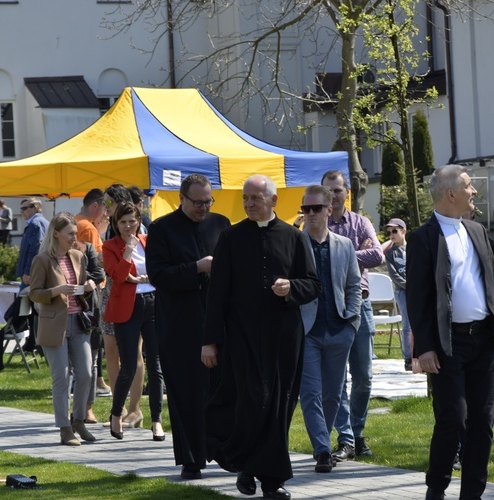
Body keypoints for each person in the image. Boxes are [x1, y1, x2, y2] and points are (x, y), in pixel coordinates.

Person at [406, 164, 494, 500]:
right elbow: (417, 300)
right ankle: (437, 488)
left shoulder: (478, 232)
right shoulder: (423, 238)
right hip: (447, 345)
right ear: (451, 194)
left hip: (483, 341)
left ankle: (472, 494)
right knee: (453, 420)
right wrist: (424, 348)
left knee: (482, 423)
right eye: (470, 186)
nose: (475, 192)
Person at [201, 174, 320, 499]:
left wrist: (291, 287)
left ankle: (270, 481)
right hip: (242, 337)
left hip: (284, 338)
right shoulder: (231, 237)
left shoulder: (293, 238)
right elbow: (217, 293)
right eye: (246, 199)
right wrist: (210, 341)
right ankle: (247, 465)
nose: (250, 204)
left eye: (256, 198)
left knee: (279, 405)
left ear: (274, 201)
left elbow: (312, 283)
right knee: (253, 400)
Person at [147, 174, 230, 480]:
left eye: (208, 201)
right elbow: (158, 275)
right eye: (197, 202)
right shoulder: (161, 229)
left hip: (217, 322)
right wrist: (197, 267)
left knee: (220, 390)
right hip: (179, 325)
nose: (203, 208)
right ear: (181, 199)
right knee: (186, 393)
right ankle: (191, 459)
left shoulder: (222, 225)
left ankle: (222, 450)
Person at [298, 185, 361, 474]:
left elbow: (353, 286)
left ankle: (324, 444)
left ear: (329, 210)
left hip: (339, 328)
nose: (309, 214)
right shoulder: (293, 243)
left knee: (334, 394)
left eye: (315, 208)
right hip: (307, 330)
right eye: (305, 209)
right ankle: (322, 450)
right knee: (310, 392)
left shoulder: (345, 245)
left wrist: (352, 322)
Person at [321, 170, 383, 460]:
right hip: (331, 307)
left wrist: (339, 253)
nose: (334, 195)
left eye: (338, 190)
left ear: (347, 192)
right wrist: (356, 252)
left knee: (364, 377)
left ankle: (357, 432)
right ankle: (346, 438)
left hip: (361, 304)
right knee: (336, 379)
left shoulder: (361, 223)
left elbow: (379, 256)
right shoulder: (317, 224)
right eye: (328, 190)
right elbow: (315, 258)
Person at [28, 212, 97, 446]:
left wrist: (88, 286)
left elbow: (81, 286)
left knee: (86, 373)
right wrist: (57, 290)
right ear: (56, 233)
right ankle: (64, 428)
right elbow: (34, 293)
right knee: (62, 378)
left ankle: (78, 420)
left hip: (78, 322)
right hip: (53, 326)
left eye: (75, 234)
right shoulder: (42, 260)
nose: (74, 238)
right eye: (70, 234)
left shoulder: (78, 256)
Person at [103, 201, 165, 442]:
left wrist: (145, 278)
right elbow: (118, 277)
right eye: (123, 222)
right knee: (128, 366)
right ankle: (116, 414)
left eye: (132, 221)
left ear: (139, 220)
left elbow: (160, 270)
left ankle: (156, 420)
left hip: (153, 303)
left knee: (156, 367)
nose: (128, 226)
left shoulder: (150, 242)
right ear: (115, 224)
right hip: (126, 308)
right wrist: (128, 250)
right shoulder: (110, 246)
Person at [74, 189, 112, 397]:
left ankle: (96, 380)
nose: (106, 213)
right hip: (95, 290)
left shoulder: (77, 222)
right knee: (95, 340)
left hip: (84, 290)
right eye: (104, 208)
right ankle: (96, 382)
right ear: (95, 206)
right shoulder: (87, 228)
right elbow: (100, 259)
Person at [16, 197, 49, 352]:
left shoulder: (36, 224)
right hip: (34, 274)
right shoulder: (40, 223)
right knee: (32, 311)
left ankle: (36, 344)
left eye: (25, 208)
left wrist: (29, 273)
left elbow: (35, 250)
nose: (22, 211)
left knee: (30, 311)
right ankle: (33, 342)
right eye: (21, 208)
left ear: (36, 207)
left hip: (31, 277)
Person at [383, 218, 413, 371]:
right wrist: (409, 286)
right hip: (402, 292)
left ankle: (420, 355)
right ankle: (408, 359)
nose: (391, 234)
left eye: (395, 231)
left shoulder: (413, 248)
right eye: (389, 232)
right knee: (407, 325)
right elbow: (394, 275)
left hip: (418, 291)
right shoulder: (390, 253)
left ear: (403, 231)